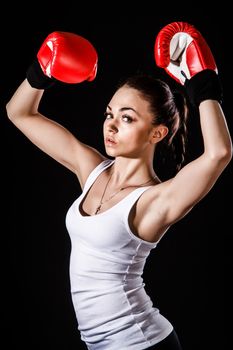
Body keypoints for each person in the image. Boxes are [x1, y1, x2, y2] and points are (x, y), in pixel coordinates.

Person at [6, 22, 232, 350]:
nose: (111, 125)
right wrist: (42, 70)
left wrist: (203, 81)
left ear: (157, 133)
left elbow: (218, 153)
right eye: (109, 114)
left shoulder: (154, 201)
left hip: (141, 343)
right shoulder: (92, 170)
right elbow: (19, 112)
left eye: (127, 118)